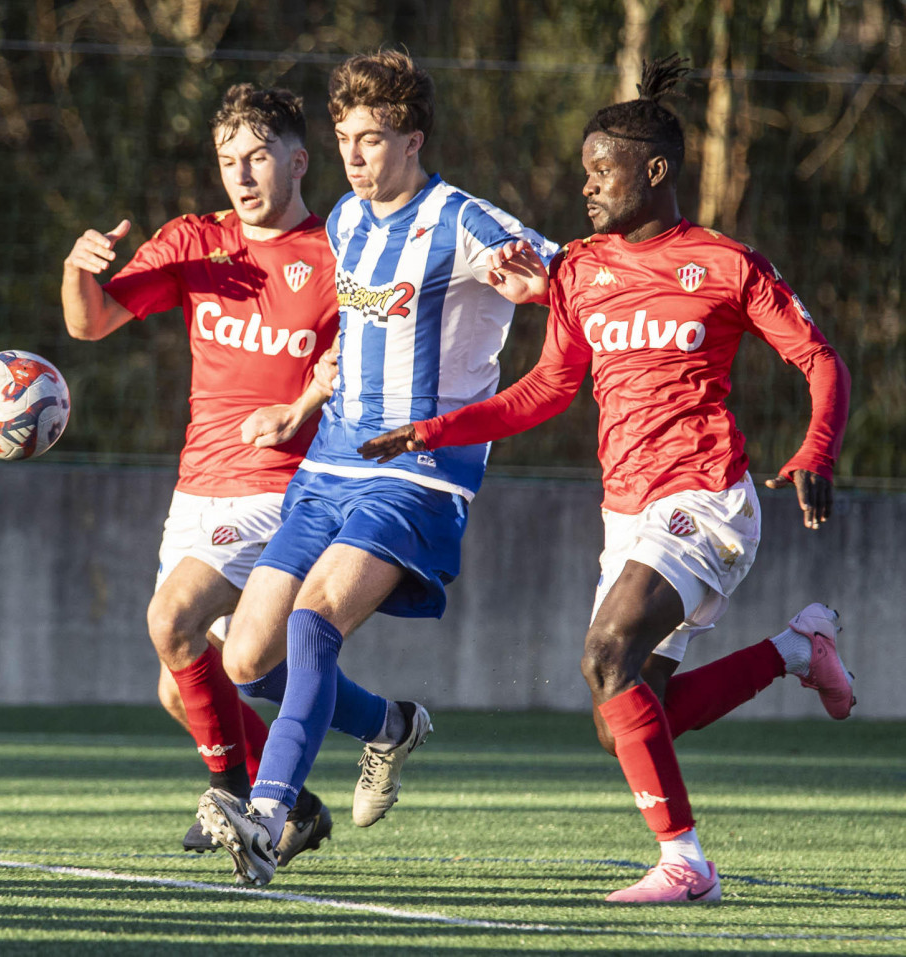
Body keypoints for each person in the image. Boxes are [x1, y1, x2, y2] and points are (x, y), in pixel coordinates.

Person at [358, 55, 854, 904]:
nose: (584, 186)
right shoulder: (580, 271)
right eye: (582, 171)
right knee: (622, 709)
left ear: (653, 171)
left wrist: (813, 449)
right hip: (624, 514)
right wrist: (435, 430)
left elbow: (818, 359)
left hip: (706, 497)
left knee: (604, 653)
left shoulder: (725, 263)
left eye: (600, 170)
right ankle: (793, 649)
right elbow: (546, 388)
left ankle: (686, 863)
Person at [194, 48, 560, 887]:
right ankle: (388, 724)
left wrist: (536, 290)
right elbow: (356, 339)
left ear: (413, 139)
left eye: (370, 138)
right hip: (328, 466)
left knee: (315, 620)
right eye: (344, 137)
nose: (353, 155)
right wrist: (301, 407)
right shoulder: (345, 222)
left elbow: (564, 274)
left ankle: (269, 812)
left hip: (418, 476)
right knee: (247, 657)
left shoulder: (465, 221)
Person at [60, 84, 341, 869]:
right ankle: (303, 806)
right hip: (196, 488)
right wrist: (79, 269)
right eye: (228, 161)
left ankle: (236, 805)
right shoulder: (193, 241)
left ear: (297, 160)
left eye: (258, 157)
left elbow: (371, 352)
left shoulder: (335, 252)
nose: (242, 176)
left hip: (275, 486)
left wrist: (310, 399)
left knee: (170, 617)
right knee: (176, 685)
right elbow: (91, 322)